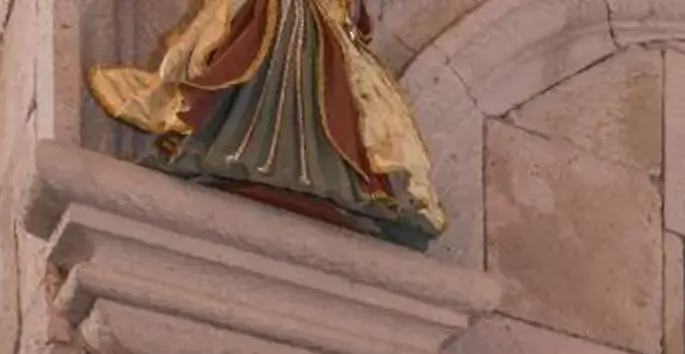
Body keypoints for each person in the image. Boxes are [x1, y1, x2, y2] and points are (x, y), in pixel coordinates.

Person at [91, 0, 447, 247]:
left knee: (331, 91)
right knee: (263, 78)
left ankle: (323, 173)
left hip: (320, 26)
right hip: (280, 20)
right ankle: (248, 153)